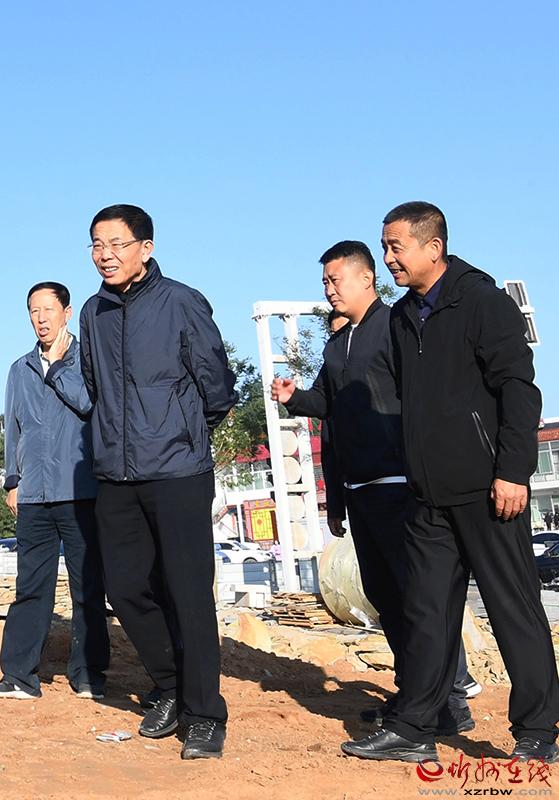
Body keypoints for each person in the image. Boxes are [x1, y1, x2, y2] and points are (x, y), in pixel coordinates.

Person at [342, 202, 559, 763]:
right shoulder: (401, 317)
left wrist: (513, 471)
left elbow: (519, 390)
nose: (389, 258)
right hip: (427, 496)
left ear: (433, 247)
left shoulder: (484, 303)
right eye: (384, 247)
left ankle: (537, 731)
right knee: (426, 614)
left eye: (396, 247)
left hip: (489, 492)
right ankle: (416, 727)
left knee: (514, 611)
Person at [271, 240, 475, 744]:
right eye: (324, 281)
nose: (329, 289)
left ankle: (451, 699)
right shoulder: (337, 344)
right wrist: (294, 398)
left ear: (367, 279)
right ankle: (415, 694)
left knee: (418, 597)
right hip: (359, 490)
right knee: (385, 596)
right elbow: (329, 404)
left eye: (335, 279)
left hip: (402, 486)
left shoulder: (396, 326)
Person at [78, 204, 238, 760]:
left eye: (117, 244)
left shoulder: (182, 302)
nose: (105, 255)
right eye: (96, 244)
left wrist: (179, 431)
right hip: (116, 474)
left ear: (146, 247)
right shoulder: (93, 312)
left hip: (177, 471)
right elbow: (95, 385)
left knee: (188, 593)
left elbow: (217, 387)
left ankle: (205, 714)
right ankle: (170, 686)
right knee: (124, 588)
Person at [0, 281, 110, 702]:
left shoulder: (86, 360)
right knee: (30, 587)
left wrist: (57, 369)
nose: (40, 319)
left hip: (79, 489)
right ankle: (18, 676)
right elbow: (14, 427)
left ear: (66, 313)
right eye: (34, 311)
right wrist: (12, 480)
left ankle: (89, 674)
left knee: (87, 587)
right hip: (34, 494)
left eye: (48, 310)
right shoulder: (19, 368)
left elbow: (89, 403)